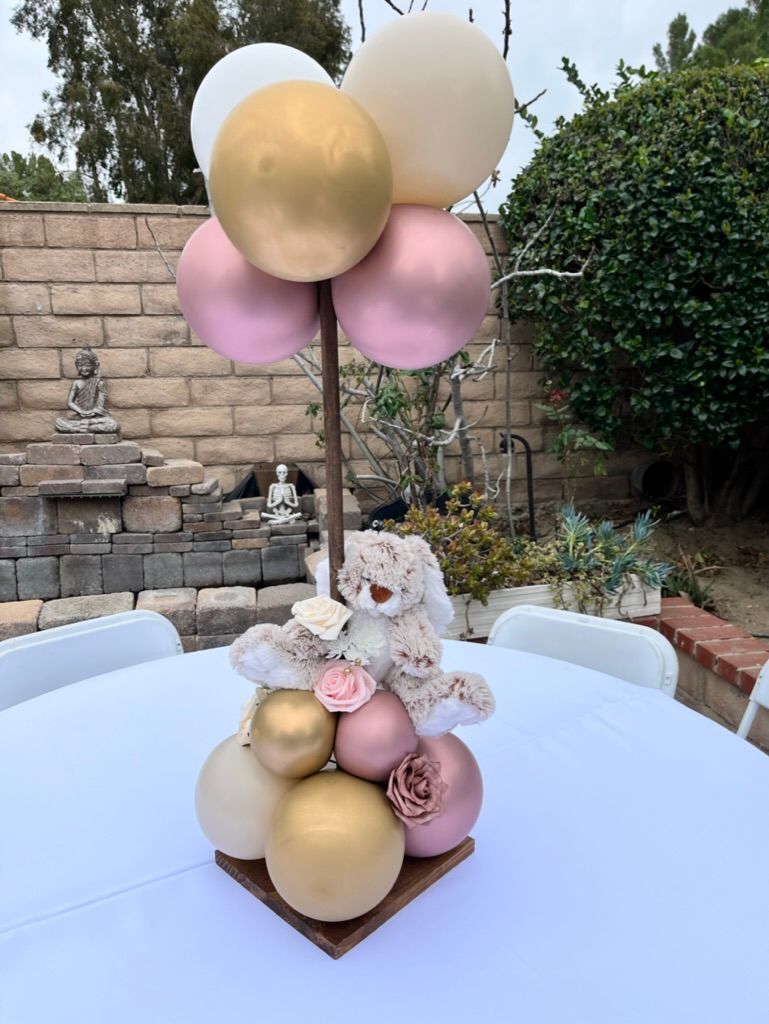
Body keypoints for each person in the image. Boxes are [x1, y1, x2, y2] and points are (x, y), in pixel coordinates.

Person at [55, 347, 120, 434]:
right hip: (80, 416)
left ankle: (78, 428)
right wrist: (81, 411)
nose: (84, 369)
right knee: (59, 422)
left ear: (95, 365)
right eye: (80, 365)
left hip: (95, 417)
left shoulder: (98, 383)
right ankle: (85, 428)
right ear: (76, 365)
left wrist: (92, 413)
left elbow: (100, 404)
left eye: (87, 365)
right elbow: (70, 402)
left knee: (112, 424)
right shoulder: (76, 383)